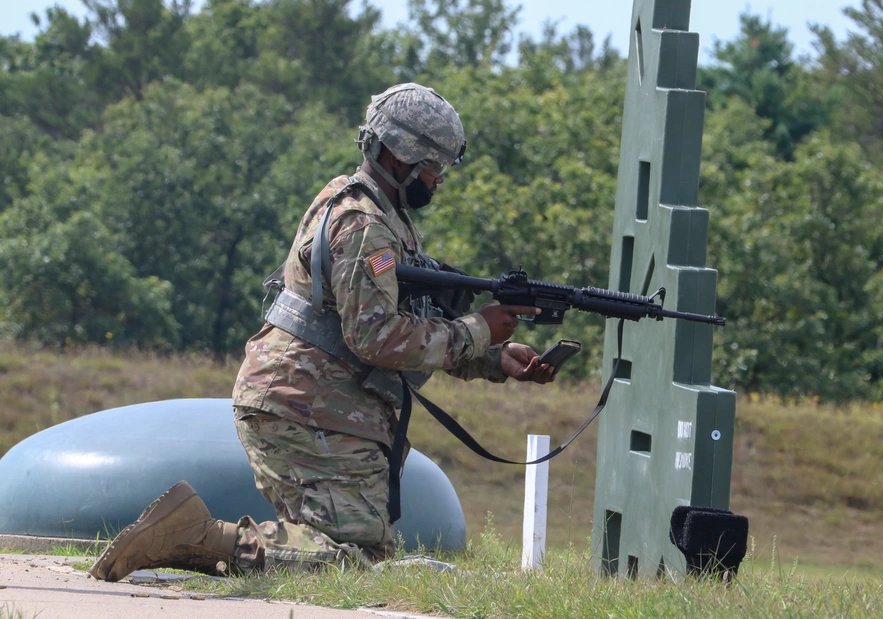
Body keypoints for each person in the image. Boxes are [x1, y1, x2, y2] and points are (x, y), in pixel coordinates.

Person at [89, 83, 556, 582]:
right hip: (304, 409)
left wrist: (491, 356)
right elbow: (374, 337)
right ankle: (190, 536)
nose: (439, 180)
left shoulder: (373, 210)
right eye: (432, 167)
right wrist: (477, 330)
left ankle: (195, 537)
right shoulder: (364, 226)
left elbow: (396, 322)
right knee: (349, 562)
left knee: (356, 556)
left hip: (319, 407)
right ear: (400, 158)